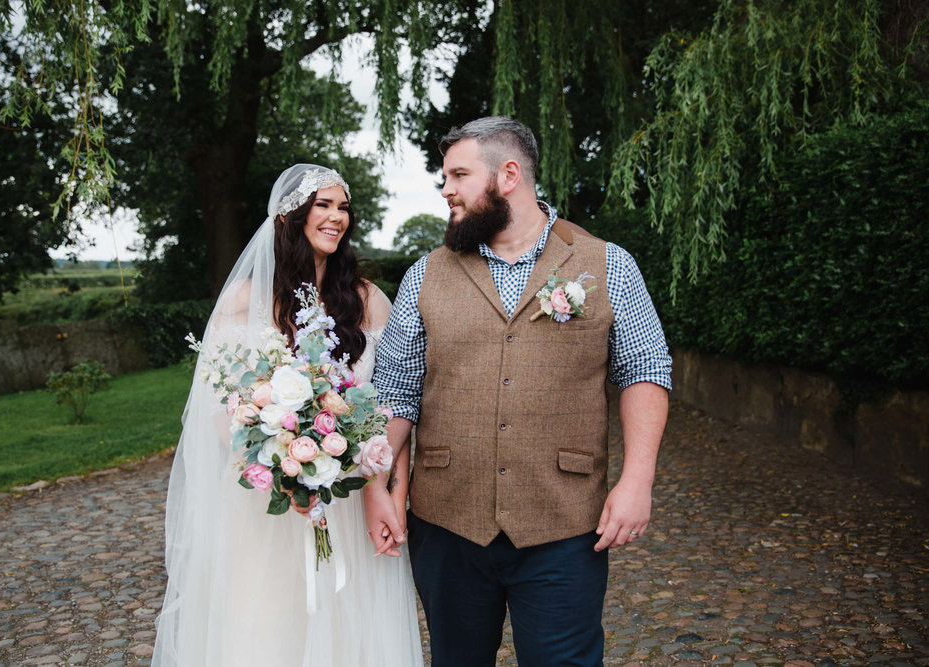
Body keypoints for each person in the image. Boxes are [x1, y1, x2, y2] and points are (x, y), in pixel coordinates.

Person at [365, 117, 672, 666]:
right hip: (446, 522)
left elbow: (645, 370)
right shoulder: (425, 274)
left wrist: (637, 481)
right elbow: (395, 393)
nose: (446, 190)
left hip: (564, 524)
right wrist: (375, 485)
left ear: (509, 175)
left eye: (459, 174)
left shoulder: (608, 264)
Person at [153, 164, 423, 666]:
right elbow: (222, 410)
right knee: (272, 627)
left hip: (351, 498)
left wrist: (390, 490)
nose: (336, 217)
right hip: (271, 506)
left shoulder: (367, 301)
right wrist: (285, 471)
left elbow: (397, 403)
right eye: (323, 205)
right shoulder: (243, 303)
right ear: (290, 216)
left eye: (343, 207)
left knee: (350, 626)